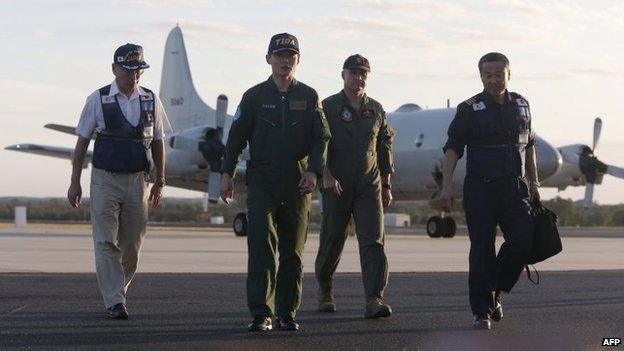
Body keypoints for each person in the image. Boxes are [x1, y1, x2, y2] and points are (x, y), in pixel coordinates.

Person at [219, 33, 331, 332]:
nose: (285, 60)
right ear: (268, 58)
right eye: (279, 54)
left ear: (298, 59)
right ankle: (260, 312)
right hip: (262, 182)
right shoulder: (254, 97)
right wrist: (226, 173)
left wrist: (314, 172)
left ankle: (286, 312)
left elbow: (322, 138)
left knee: (293, 252)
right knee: (261, 246)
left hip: (297, 183)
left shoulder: (309, 96)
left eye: (291, 55)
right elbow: (236, 137)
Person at [67, 43, 168, 319]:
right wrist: (75, 181)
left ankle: (117, 290)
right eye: (128, 70)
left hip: (138, 180)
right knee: (105, 241)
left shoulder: (151, 100)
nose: (134, 76)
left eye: (138, 71)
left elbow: (159, 142)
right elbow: (81, 144)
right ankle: (114, 301)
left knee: (133, 244)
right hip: (105, 180)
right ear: (114, 69)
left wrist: (160, 180)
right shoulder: (97, 99)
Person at [441, 52, 540, 330]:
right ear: (481, 76)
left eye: (499, 74)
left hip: (515, 189)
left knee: (523, 243)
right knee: (482, 249)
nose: (494, 79)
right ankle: (481, 310)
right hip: (481, 190)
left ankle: (495, 289)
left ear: (509, 74)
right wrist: (447, 186)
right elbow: (452, 150)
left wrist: (535, 183)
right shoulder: (469, 108)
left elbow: (528, 146)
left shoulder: (522, 104)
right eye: (488, 75)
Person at [314, 54, 394, 319]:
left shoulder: (377, 109)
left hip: (368, 185)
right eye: (353, 72)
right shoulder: (327, 106)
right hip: (336, 184)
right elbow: (317, 143)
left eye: (363, 73)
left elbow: (384, 146)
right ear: (343, 75)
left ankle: (374, 299)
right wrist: (324, 175)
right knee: (332, 239)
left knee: (373, 242)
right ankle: (325, 290)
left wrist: (386, 184)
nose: (358, 77)